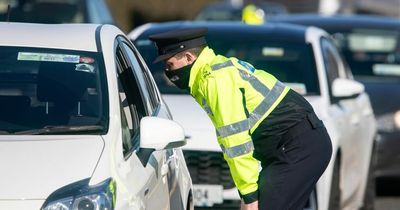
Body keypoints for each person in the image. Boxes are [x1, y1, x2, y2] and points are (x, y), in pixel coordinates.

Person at [149, 28, 332, 210]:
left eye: (170, 64)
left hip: (301, 146)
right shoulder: (211, 71)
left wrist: (249, 194)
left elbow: (235, 140)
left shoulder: (214, 79)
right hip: (291, 145)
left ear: (189, 57)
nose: (167, 70)